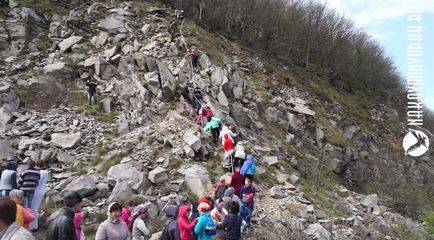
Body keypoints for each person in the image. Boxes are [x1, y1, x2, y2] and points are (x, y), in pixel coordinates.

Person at [30, 160, 49, 231]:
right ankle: (34, 224)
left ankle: (34, 226)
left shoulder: (40, 173)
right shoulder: (46, 172)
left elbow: (37, 181)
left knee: (33, 207)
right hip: (42, 190)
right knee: (36, 207)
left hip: (37, 191)